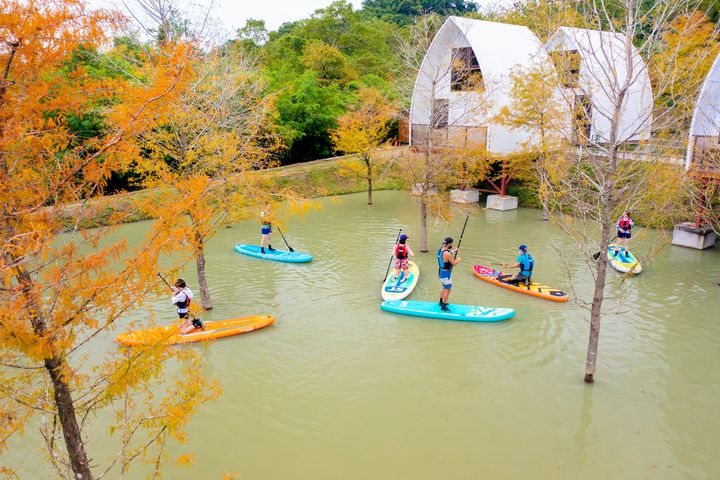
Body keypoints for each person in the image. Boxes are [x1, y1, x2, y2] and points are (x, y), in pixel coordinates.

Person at [437, 237, 461, 311]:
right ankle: (443, 306)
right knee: (448, 289)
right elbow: (453, 263)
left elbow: (446, 254)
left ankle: (441, 302)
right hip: (445, 273)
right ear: (449, 244)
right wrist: (459, 260)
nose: (451, 245)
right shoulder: (447, 254)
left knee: (444, 287)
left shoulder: (440, 250)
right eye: (451, 244)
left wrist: (454, 251)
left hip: (441, 271)